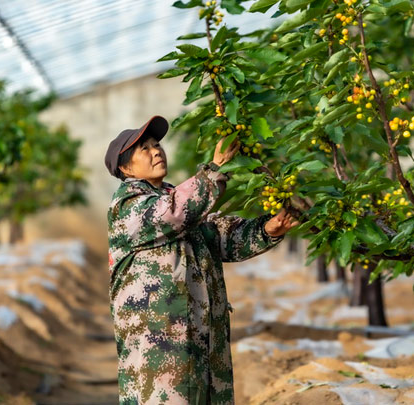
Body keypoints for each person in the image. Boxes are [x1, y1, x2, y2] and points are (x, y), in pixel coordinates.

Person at [104, 115, 298, 404]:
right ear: (125, 167)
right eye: (144, 148)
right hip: (160, 351)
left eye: (157, 144)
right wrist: (215, 170)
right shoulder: (128, 206)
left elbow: (221, 236)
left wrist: (267, 229)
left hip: (201, 342)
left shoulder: (174, 198)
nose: (157, 150)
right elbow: (175, 212)